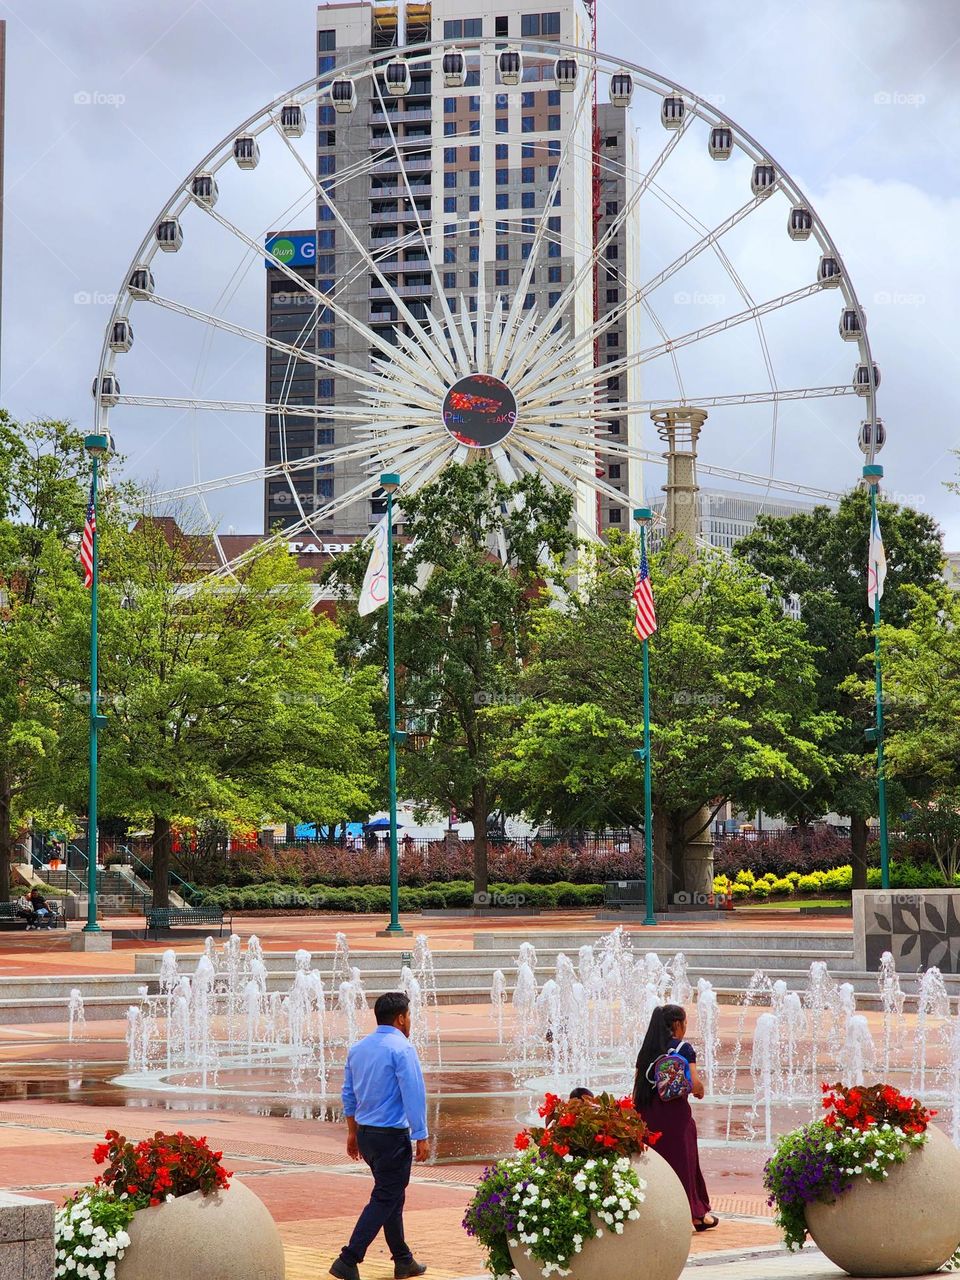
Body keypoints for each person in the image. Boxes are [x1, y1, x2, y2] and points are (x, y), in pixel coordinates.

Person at [331, 992, 429, 1280]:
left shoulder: (358, 1048)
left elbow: (348, 1094)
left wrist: (352, 1133)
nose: (410, 1021)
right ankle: (348, 1259)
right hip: (391, 1138)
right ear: (400, 1018)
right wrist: (421, 1135)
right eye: (409, 1015)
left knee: (392, 1195)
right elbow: (414, 1094)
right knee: (386, 1197)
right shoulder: (402, 1049)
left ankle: (403, 1260)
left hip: (366, 1135)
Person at [633, 1003, 718, 1232]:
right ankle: (693, 1214)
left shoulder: (648, 1049)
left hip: (648, 1114)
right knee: (684, 1162)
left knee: (658, 1162)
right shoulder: (683, 1048)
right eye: (686, 1023)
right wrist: (699, 1090)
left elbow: (639, 1084)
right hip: (674, 1116)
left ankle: (657, 1211)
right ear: (677, 1024)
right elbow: (695, 1084)